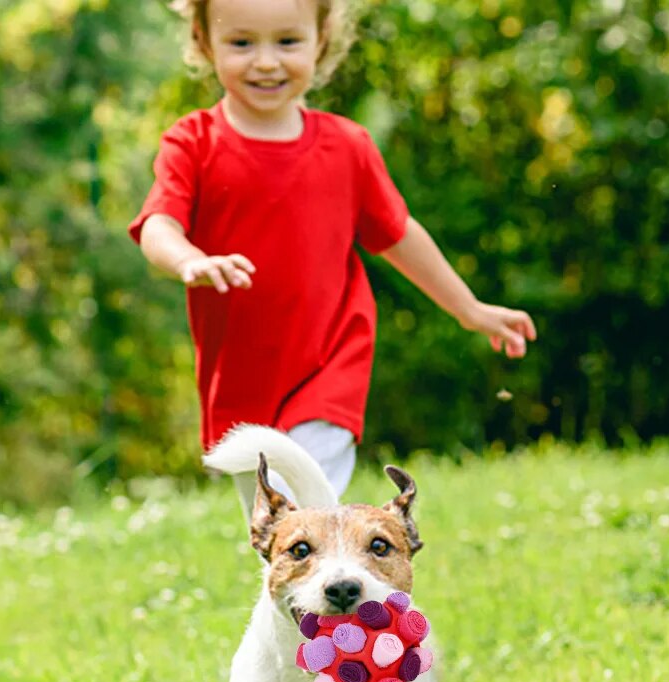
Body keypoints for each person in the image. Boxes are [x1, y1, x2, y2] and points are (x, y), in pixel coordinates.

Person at [129, 0, 537, 509]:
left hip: (331, 358)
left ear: (322, 39)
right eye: (241, 43)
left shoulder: (347, 147)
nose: (266, 61)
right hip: (243, 378)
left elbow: (399, 235)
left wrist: (470, 309)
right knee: (274, 527)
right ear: (202, 40)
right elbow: (158, 224)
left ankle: (357, 582)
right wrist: (189, 259)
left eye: (287, 41)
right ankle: (309, 584)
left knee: (306, 503)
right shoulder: (192, 143)